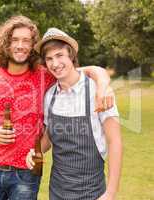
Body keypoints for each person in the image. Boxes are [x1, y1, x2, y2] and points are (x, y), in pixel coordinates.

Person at [0, 15, 114, 200]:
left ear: (32, 46)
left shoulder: (45, 75)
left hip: (27, 172)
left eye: (26, 40)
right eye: (14, 40)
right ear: (5, 43)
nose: (20, 45)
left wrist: (103, 85)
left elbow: (88, 70)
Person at [26, 27, 122, 200]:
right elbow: (49, 135)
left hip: (92, 192)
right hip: (57, 191)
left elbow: (115, 142)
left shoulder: (98, 91)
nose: (55, 63)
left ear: (71, 55)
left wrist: (111, 193)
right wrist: (36, 149)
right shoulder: (50, 96)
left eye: (59, 55)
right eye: (49, 59)